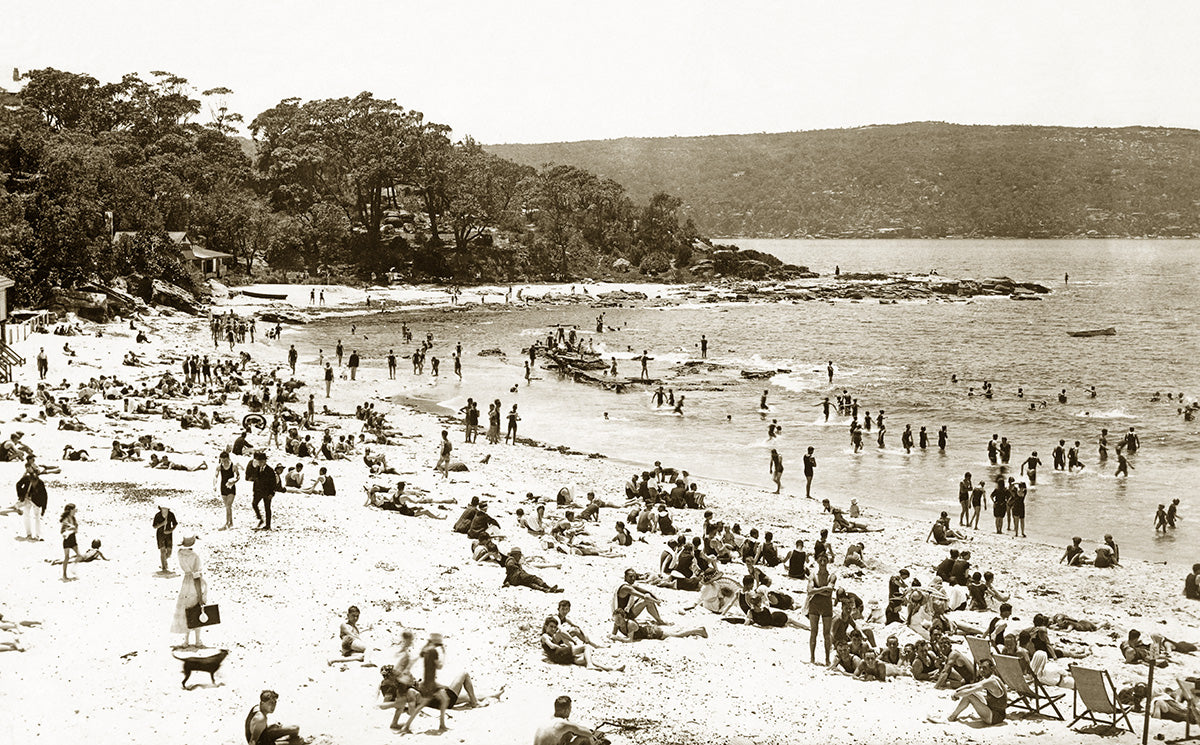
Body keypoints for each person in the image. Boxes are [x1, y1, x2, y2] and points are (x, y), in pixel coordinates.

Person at [941, 658, 1006, 726]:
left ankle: (952, 717)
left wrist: (956, 695)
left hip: (994, 718)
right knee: (973, 693)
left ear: (992, 669)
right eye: (980, 667)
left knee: (969, 695)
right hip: (998, 715)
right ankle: (953, 716)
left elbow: (969, 691)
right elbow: (971, 686)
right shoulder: (993, 678)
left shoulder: (991, 681)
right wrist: (956, 691)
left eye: (984, 668)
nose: (981, 670)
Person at [170, 535, 207, 649]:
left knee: (187, 611)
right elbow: (196, 576)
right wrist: (200, 596)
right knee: (197, 609)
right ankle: (197, 640)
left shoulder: (180, 554)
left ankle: (186, 640)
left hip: (185, 582)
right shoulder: (195, 556)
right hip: (194, 582)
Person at [610, 608, 707, 641]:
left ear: (624, 618)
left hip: (653, 632)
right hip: (649, 631)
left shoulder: (630, 624)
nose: (617, 621)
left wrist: (617, 638)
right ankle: (695, 629)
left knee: (678, 635)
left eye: (619, 619)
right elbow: (613, 635)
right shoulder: (617, 624)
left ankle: (698, 630)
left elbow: (629, 640)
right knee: (675, 632)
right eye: (615, 619)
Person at [807, 553, 836, 665]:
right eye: (820, 561)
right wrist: (824, 589)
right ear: (817, 562)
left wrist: (816, 590)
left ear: (827, 562)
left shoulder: (832, 576)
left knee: (826, 634)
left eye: (824, 560)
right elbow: (810, 591)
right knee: (813, 632)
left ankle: (827, 659)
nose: (823, 563)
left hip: (825, 606)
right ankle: (812, 658)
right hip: (815, 606)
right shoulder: (813, 575)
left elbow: (829, 591)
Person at [16, 461, 47, 541]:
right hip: (27, 499)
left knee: (34, 517)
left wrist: (44, 507)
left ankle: (36, 535)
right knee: (29, 516)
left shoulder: (39, 482)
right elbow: (18, 485)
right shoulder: (27, 479)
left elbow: (44, 495)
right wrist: (21, 495)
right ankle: (31, 534)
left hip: (35, 501)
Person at [215, 451, 240, 531]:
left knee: (228, 505)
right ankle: (231, 523)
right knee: (227, 507)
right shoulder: (219, 466)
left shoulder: (233, 466)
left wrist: (234, 481)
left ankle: (226, 523)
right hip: (222, 487)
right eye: (222, 460)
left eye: (225, 460)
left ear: (228, 458)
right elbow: (215, 476)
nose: (223, 462)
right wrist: (214, 485)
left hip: (231, 487)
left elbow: (238, 476)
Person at [59, 503, 82, 580]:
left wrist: (74, 528)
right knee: (67, 557)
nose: (75, 510)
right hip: (67, 539)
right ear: (70, 510)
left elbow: (76, 529)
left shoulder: (74, 518)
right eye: (74, 509)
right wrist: (71, 528)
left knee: (79, 555)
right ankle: (64, 575)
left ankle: (73, 569)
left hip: (73, 538)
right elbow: (62, 531)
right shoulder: (66, 519)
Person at [153, 505, 178, 574]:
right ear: (160, 508)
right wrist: (162, 524)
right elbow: (154, 526)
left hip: (169, 534)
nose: (164, 510)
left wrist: (170, 531)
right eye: (163, 508)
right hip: (160, 534)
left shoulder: (171, 514)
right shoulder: (157, 515)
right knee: (163, 551)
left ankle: (164, 560)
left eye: (166, 508)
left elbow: (175, 524)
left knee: (169, 553)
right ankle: (163, 567)